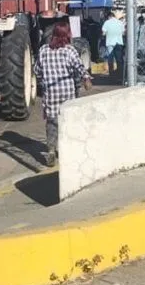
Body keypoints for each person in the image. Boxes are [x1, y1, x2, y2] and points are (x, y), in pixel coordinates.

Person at [34, 22, 92, 167]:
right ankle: (69, 148)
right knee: (68, 120)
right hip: (67, 91)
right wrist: (86, 79)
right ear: (67, 35)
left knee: (52, 122)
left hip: (51, 92)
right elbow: (79, 67)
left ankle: (51, 150)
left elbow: (37, 71)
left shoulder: (43, 50)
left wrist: (46, 78)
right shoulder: (70, 50)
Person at [101, 9, 125, 82]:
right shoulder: (120, 23)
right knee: (119, 59)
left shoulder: (106, 22)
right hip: (118, 42)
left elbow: (103, 33)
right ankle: (120, 74)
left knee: (110, 59)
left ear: (109, 17)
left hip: (110, 43)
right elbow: (123, 33)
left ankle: (111, 75)